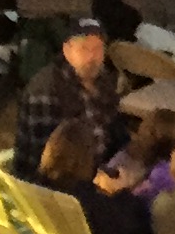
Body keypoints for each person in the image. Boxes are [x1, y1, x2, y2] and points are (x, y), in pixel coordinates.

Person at [10, 18, 117, 178]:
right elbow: (48, 163)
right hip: (59, 181)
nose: (91, 57)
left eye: (97, 49)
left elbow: (110, 127)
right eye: (83, 49)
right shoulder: (45, 92)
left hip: (99, 167)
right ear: (67, 51)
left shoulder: (103, 80)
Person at [35, 120, 150, 234]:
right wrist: (123, 191)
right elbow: (123, 229)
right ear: (82, 158)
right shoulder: (83, 201)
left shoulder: (44, 185)